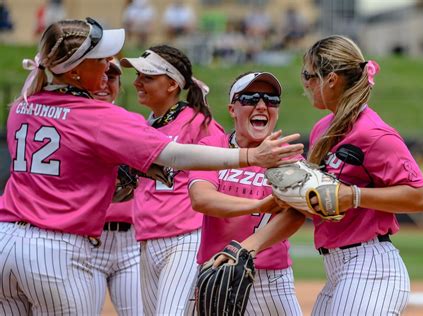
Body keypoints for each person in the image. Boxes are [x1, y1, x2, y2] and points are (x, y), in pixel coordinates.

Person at [0, 17, 303, 314]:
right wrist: (250, 156)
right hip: (58, 249)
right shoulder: (102, 117)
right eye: (102, 60)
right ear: (76, 70)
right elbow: (173, 157)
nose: (110, 68)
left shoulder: (22, 104)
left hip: (7, 241)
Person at [241, 35, 423, 316]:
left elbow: (420, 197)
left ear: (330, 79)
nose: (305, 82)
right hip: (339, 270)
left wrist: (353, 196)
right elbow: (320, 198)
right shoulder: (324, 128)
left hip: (370, 268)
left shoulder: (373, 133)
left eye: (309, 74)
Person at [187, 72, 306, 315]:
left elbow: (295, 215)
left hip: (271, 277)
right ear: (232, 109)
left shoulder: (289, 156)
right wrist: (259, 205)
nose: (262, 105)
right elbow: (201, 199)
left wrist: (249, 247)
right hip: (217, 270)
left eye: (271, 100)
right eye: (251, 98)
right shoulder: (212, 148)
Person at [120, 44, 225, 315]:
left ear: (171, 84)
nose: (137, 82)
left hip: (185, 238)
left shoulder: (199, 124)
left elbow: (222, 174)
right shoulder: (144, 126)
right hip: (145, 239)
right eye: (138, 76)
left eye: (148, 76)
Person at [89, 58, 143, 315]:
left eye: (111, 77)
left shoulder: (134, 124)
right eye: (98, 75)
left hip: (131, 243)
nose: (104, 83)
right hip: (86, 242)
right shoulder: (71, 123)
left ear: (120, 85)